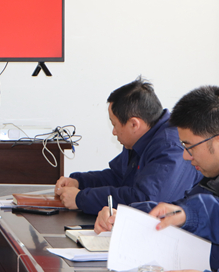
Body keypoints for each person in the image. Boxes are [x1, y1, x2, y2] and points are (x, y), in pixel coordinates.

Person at [95, 85, 219, 272]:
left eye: (189, 146)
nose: (185, 156)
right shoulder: (210, 180)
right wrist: (126, 217)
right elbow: (180, 210)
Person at [55, 77, 201, 214]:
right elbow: (118, 177)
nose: (113, 132)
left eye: (114, 125)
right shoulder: (140, 139)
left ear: (134, 124)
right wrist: (79, 182)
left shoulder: (170, 147)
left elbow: (145, 201)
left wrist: (81, 198)